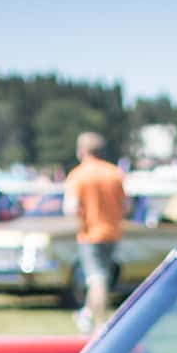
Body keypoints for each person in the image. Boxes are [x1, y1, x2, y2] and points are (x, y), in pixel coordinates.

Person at [62, 131, 127, 333]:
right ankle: (87, 315)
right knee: (101, 276)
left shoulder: (79, 174)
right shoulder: (115, 173)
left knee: (96, 279)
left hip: (90, 234)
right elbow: (126, 205)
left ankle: (100, 322)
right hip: (113, 232)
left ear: (82, 151)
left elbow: (70, 208)